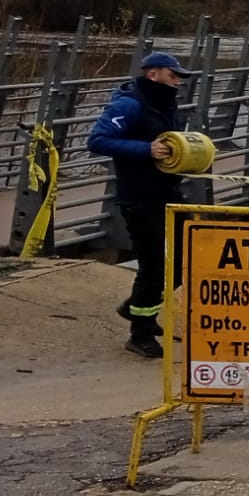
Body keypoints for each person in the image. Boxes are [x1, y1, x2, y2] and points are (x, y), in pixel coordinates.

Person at [87, 50, 193, 359]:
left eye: (179, 77)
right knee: (153, 266)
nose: (177, 81)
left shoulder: (165, 104)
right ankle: (140, 333)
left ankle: (136, 308)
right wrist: (145, 149)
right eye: (173, 75)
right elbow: (97, 140)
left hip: (168, 191)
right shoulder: (129, 104)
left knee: (188, 256)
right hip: (139, 197)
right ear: (153, 74)